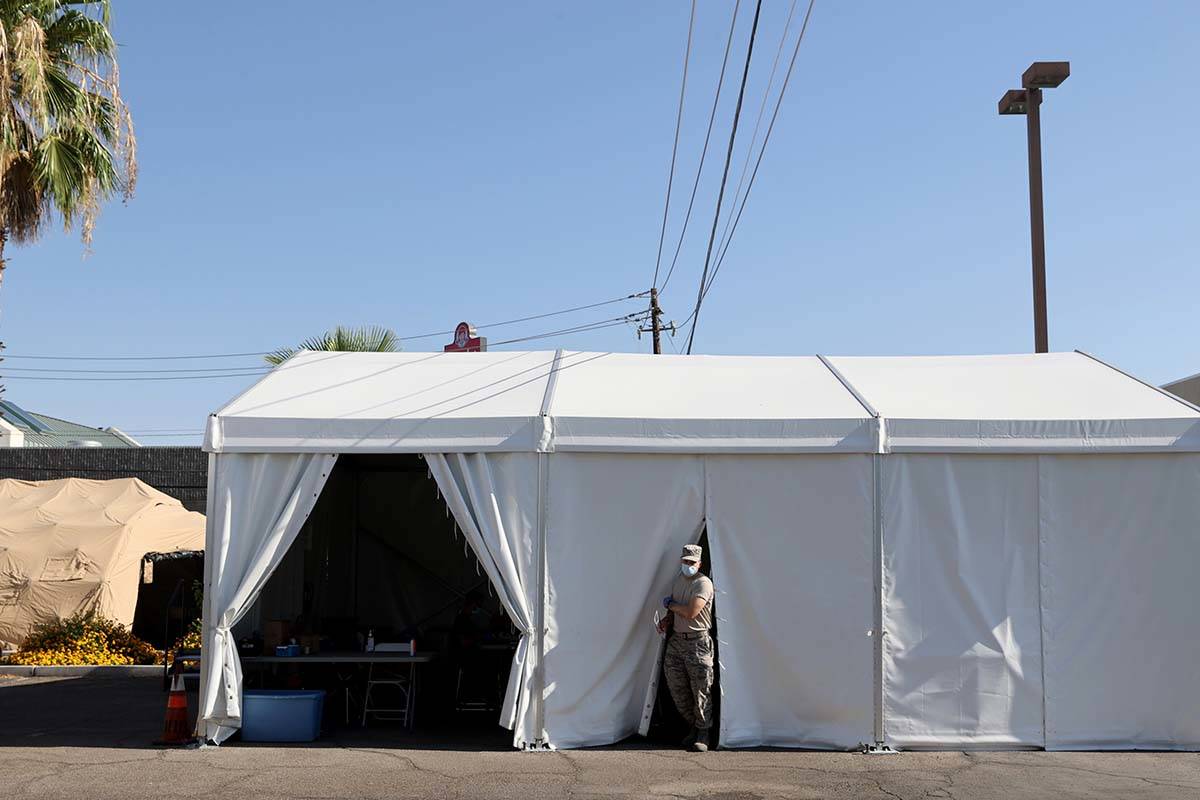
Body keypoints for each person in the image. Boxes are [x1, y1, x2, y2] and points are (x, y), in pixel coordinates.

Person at [655, 543, 715, 752]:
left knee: (701, 689)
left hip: (698, 642)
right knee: (677, 686)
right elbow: (676, 611)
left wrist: (670, 605)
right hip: (678, 640)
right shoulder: (678, 580)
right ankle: (693, 726)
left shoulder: (703, 584)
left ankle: (703, 732)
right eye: (685, 561)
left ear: (699, 564)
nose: (687, 565)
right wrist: (667, 620)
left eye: (691, 562)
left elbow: (691, 612)